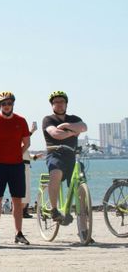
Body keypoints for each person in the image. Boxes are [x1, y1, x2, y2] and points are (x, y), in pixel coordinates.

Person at [0, 91, 31, 245]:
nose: (7, 106)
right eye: (4, 104)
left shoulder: (21, 121)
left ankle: (18, 233)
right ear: (0, 106)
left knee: (17, 201)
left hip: (16, 165)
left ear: (13, 104)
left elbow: (27, 143)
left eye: (9, 103)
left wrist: (17, 154)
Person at [42, 91, 87, 224]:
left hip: (72, 156)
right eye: (56, 102)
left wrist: (66, 126)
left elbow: (84, 127)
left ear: (66, 104)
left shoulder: (73, 118)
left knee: (81, 185)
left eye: (62, 101)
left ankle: (83, 229)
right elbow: (55, 134)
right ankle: (54, 210)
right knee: (56, 173)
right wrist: (74, 132)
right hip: (55, 154)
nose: (59, 104)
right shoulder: (48, 119)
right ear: (52, 105)